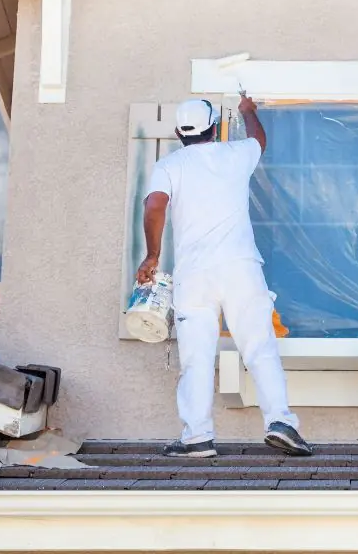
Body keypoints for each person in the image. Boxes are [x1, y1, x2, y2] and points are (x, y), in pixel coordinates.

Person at [136, 95, 313, 458]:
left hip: (194, 276)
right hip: (240, 269)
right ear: (215, 128)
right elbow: (259, 140)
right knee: (260, 348)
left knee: (196, 358)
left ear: (177, 134)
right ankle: (281, 422)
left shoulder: (168, 165)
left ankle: (197, 437)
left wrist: (152, 255)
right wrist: (248, 112)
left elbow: (154, 205)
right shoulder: (235, 155)